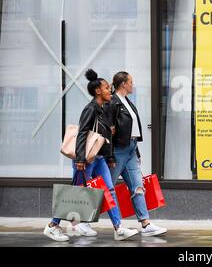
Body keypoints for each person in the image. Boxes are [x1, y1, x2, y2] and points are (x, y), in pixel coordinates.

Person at [43, 69, 139, 242]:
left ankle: (118, 228)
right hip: (86, 160)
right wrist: (80, 159)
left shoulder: (103, 109)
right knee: (75, 193)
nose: (110, 90)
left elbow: (107, 136)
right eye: (107, 88)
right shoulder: (91, 109)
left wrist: (109, 157)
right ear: (98, 91)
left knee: (109, 190)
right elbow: (82, 134)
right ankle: (52, 226)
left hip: (100, 159)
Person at [109, 71, 167, 236]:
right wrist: (109, 154)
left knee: (138, 187)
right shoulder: (113, 102)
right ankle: (83, 221)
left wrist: (137, 151)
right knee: (107, 188)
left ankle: (146, 224)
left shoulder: (127, 101)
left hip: (131, 149)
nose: (132, 85)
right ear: (123, 84)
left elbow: (132, 129)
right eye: (130, 82)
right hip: (118, 150)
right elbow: (110, 129)